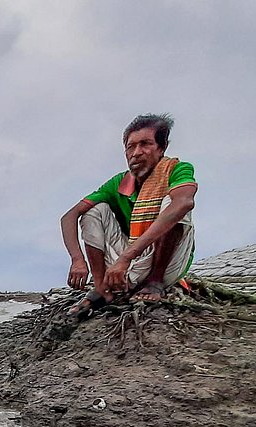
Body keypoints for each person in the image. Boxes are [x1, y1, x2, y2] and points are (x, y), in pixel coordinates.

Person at [60, 114, 197, 315]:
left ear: (162, 148)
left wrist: (126, 258)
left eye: (145, 144)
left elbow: (185, 203)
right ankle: (102, 288)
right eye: (130, 147)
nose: (136, 153)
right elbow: (69, 216)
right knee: (94, 211)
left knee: (175, 204)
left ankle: (155, 281)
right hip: (130, 260)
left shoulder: (176, 170)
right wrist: (77, 260)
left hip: (168, 263)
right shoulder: (119, 183)